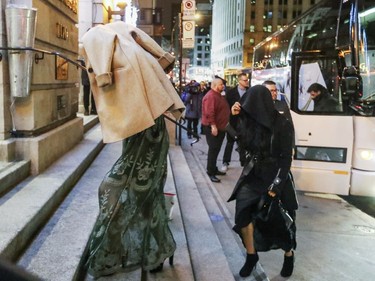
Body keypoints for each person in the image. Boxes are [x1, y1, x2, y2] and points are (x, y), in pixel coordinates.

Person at [81, 22, 185, 278]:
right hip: (147, 120)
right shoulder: (122, 30)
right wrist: (162, 58)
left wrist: (102, 74)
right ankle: (156, 250)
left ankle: (143, 251)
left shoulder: (95, 36)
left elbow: (100, 60)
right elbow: (150, 44)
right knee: (146, 194)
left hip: (146, 123)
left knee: (119, 189)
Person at [228, 85, 298, 278]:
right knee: (242, 215)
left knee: (277, 222)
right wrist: (234, 116)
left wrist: (277, 184)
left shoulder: (282, 123)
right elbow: (235, 137)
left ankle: (289, 253)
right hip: (253, 175)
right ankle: (251, 256)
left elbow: (286, 158)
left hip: (275, 176)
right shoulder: (249, 121)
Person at [201, 77, 230, 183]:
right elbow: (209, 113)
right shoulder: (211, 96)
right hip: (213, 128)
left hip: (221, 127)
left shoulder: (218, 95)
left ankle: (213, 168)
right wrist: (213, 126)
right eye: (221, 84)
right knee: (213, 150)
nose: (223, 86)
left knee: (216, 149)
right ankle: (210, 171)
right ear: (215, 85)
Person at [221, 73, 249, 172]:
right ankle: (225, 162)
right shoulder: (231, 92)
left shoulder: (249, 91)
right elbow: (226, 107)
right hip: (233, 121)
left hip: (245, 122)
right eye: (245, 80)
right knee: (230, 142)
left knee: (243, 142)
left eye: (247, 80)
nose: (247, 82)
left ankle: (243, 162)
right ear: (239, 81)